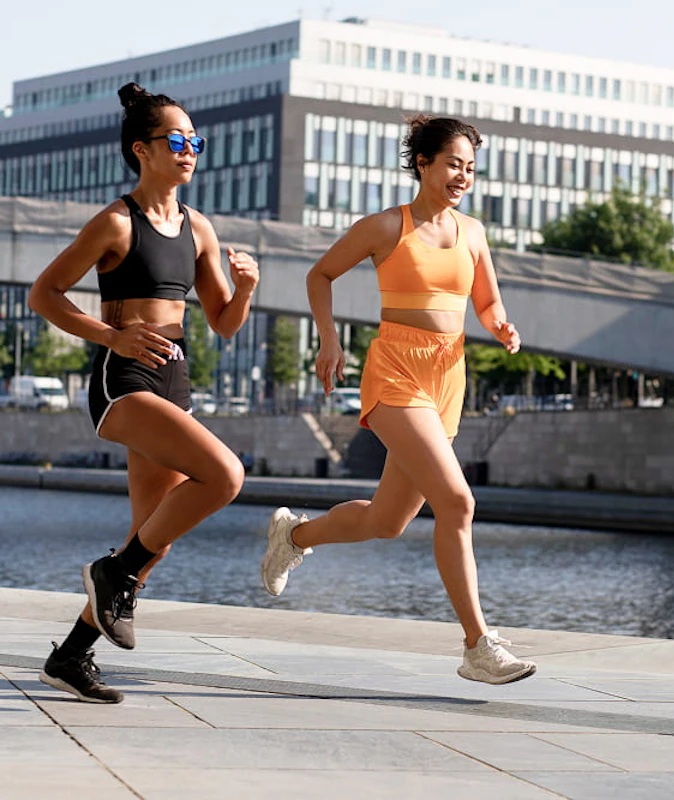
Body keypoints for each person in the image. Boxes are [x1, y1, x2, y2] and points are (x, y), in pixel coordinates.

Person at [260, 115, 536, 684]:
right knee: (457, 502)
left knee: (388, 522)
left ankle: (293, 535)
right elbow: (320, 275)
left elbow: (487, 304)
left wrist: (503, 327)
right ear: (424, 164)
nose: (462, 175)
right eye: (453, 164)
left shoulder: (474, 233)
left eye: (470, 168)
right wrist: (330, 340)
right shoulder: (387, 226)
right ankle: (478, 645)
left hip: (447, 378)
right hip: (396, 374)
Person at [28, 83, 259, 703]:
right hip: (122, 380)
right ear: (143, 149)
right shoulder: (114, 222)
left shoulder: (199, 229)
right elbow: (44, 294)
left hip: (173, 378)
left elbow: (223, 322)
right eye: (176, 141)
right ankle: (111, 574)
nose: (189, 151)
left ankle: (71, 656)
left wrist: (245, 289)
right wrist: (115, 337)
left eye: (195, 142)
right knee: (226, 475)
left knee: (148, 542)